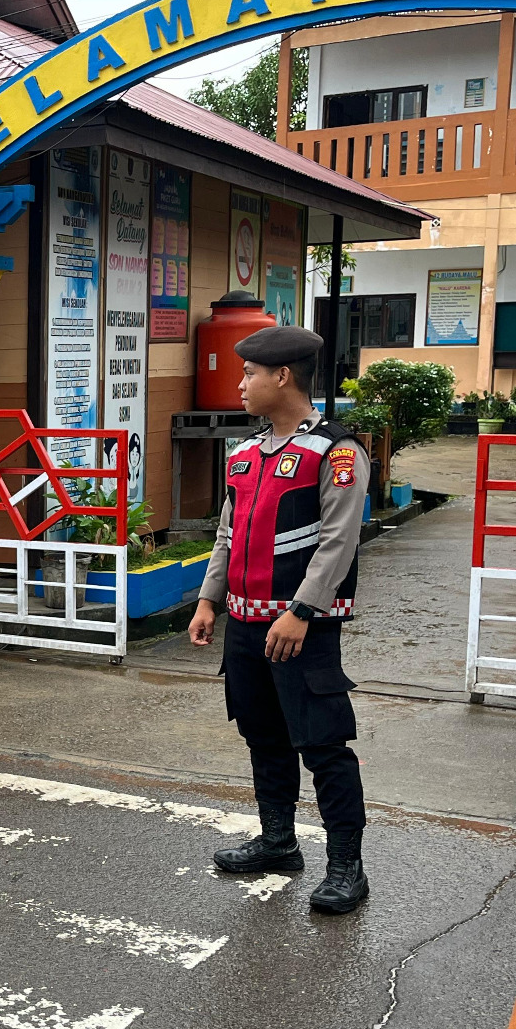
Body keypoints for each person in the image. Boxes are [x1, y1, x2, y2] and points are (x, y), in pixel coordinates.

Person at [187, 325, 372, 914]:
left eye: (250, 374)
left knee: (323, 745)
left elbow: (339, 541)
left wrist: (301, 611)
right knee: (263, 736)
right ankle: (277, 842)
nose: (241, 384)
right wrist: (209, 600)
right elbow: (227, 535)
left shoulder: (336, 452)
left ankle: (346, 867)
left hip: (300, 630)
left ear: (283, 376)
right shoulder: (245, 454)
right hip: (245, 626)